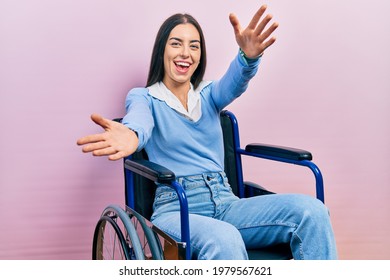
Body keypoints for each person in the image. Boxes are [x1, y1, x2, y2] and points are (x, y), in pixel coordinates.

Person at [77, 4, 337, 260]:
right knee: (224, 238)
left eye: (194, 46)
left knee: (312, 212)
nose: (185, 53)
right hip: (177, 207)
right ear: (161, 50)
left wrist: (248, 58)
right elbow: (139, 124)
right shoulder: (145, 97)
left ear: (200, 55)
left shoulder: (210, 93)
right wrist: (132, 136)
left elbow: (234, 82)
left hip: (226, 201)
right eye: (176, 43)